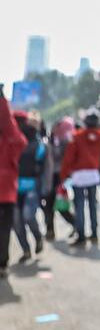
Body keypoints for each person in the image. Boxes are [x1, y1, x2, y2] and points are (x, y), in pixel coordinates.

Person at [60, 108, 100, 246]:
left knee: (80, 206)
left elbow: (69, 158)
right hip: (93, 175)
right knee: (93, 205)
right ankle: (94, 234)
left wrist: (63, 175)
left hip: (79, 176)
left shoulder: (76, 136)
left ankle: (81, 236)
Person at [0, 84, 27, 278]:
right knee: (4, 230)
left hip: (6, 192)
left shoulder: (11, 141)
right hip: (6, 192)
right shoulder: (12, 141)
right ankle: (2, 263)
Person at [13, 111, 46, 261]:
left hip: (32, 185)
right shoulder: (13, 140)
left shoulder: (40, 144)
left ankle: (38, 238)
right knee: (17, 222)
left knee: (28, 216)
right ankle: (26, 250)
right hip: (14, 186)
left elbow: (45, 167)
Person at [42, 117, 77, 239]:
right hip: (49, 176)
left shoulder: (66, 142)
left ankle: (76, 224)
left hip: (60, 177)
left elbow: (66, 159)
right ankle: (50, 230)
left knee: (60, 206)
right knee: (48, 205)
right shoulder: (48, 141)